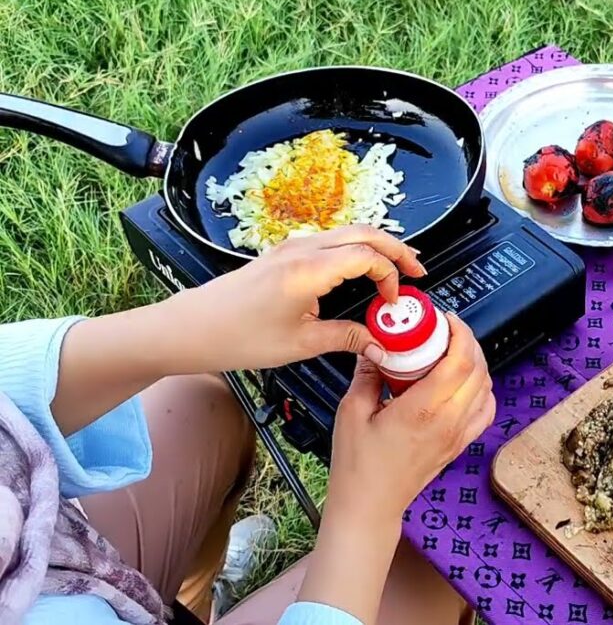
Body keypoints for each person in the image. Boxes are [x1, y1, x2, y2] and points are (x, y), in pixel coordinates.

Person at [0, 225, 494, 625]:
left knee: (201, 401)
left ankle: (191, 606)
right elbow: (368, 528)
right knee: (433, 562)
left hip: (43, 549)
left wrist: (183, 324)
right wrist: (364, 518)